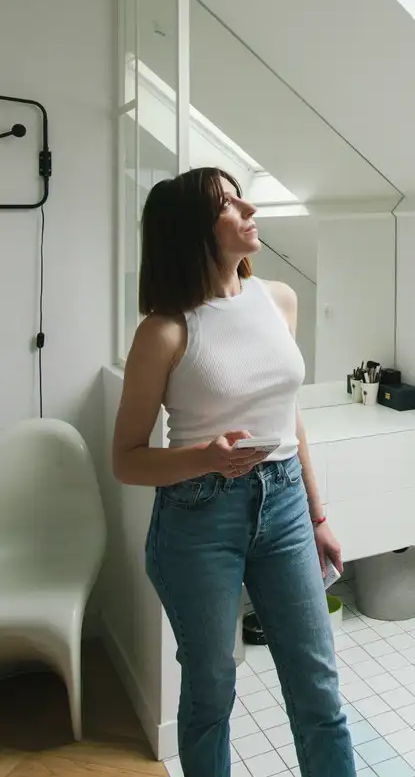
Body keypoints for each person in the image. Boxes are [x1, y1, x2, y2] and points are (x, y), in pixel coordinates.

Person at [112, 167, 356, 777]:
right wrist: (207, 457)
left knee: (318, 686)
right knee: (211, 689)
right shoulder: (164, 331)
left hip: (286, 507)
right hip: (198, 518)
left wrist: (317, 515)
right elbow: (126, 458)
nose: (249, 208)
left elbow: (289, 416)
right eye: (228, 202)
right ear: (194, 229)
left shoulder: (279, 300)